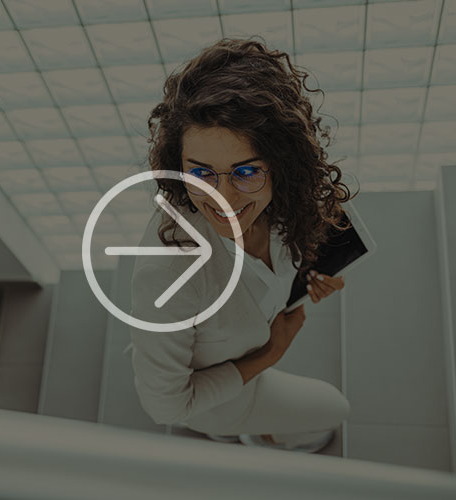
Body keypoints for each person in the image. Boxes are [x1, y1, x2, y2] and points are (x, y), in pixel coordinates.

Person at [125, 38, 357, 452]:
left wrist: (306, 279)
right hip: (216, 394)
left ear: (280, 163)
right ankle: (244, 434)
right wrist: (271, 353)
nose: (224, 201)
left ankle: (231, 434)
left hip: (238, 348)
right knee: (332, 410)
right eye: (201, 174)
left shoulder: (288, 200)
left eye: (245, 172)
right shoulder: (166, 275)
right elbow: (165, 406)